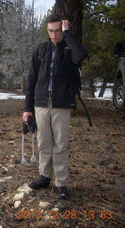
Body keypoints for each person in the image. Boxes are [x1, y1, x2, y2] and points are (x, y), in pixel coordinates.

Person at [23, 14, 87, 199]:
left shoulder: (69, 49)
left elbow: (81, 55)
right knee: (44, 142)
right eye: (51, 30)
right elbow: (32, 79)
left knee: (60, 144)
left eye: (58, 30)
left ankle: (61, 183)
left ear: (63, 29)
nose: (54, 34)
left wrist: (68, 35)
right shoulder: (41, 50)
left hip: (61, 103)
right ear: (47, 30)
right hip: (41, 104)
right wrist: (27, 108)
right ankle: (44, 176)